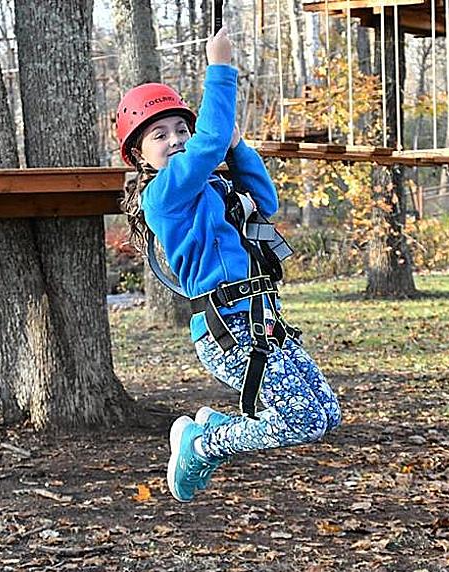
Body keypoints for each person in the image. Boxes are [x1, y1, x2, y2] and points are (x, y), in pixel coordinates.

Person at [116, 27, 341, 503]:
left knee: (325, 413)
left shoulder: (214, 188)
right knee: (298, 420)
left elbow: (267, 201)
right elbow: (209, 140)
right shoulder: (164, 194)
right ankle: (202, 446)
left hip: (262, 321)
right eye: (160, 136)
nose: (176, 140)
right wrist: (221, 67)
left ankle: (217, 425)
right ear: (139, 155)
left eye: (182, 129)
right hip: (227, 329)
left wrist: (239, 148)